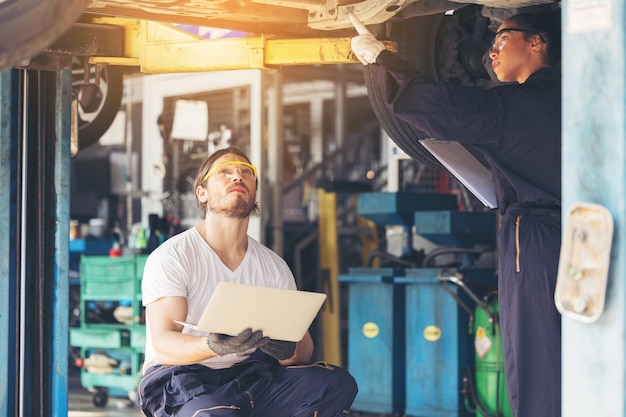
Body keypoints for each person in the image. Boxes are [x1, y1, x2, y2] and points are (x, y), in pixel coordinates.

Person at [350, 11, 562, 417]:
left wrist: (382, 60)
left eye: (501, 39)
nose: (491, 51)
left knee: (536, 355)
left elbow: (443, 109)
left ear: (536, 42)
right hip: (579, 232)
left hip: (533, 241)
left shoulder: (516, 106)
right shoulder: (569, 98)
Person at [138, 146, 358, 416]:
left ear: (254, 190)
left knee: (335, 384)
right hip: (182, 378)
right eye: (225, 172)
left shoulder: (273, 266)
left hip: (249, 378)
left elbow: (302, 351)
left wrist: (284, 347)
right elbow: (164, 346)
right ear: (202, 193)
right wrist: (212, 346)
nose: (237, 177)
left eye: (246, 172)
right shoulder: (173, 256)